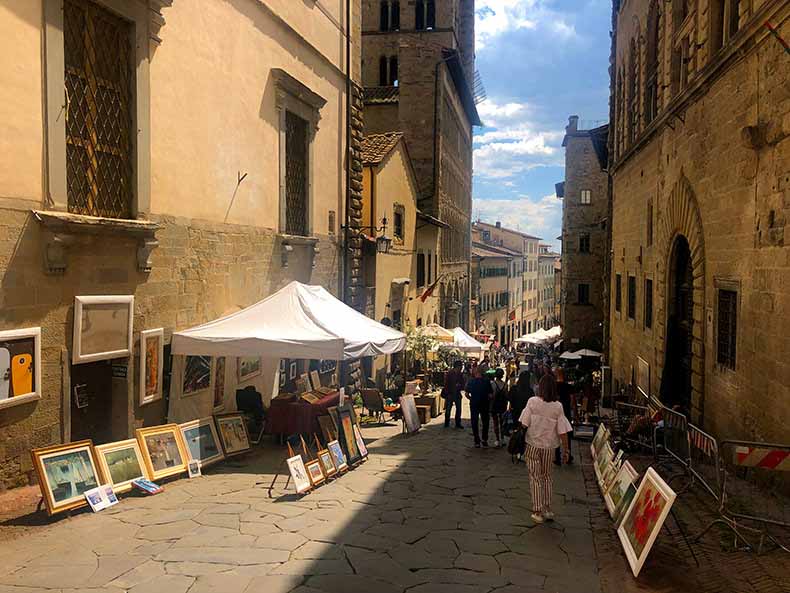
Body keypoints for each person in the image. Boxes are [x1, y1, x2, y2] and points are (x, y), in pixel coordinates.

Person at [519, 371, 572, 524]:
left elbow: (524, 423)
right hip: (549, 447)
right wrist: (566, 449)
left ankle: (537, 510)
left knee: (535, 478)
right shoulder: (558, 406)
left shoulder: (532, 402)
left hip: (533, 444)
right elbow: (562, 431)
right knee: (547, 477)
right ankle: (548, 508)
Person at [465, 366, 492, 448]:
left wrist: (471, 399)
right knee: (485, 422)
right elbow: (490, 395)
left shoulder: (471, 381)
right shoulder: (487, 381)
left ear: (475, 373)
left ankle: (477, 441)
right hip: (484, 404)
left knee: (474, 421)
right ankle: (484, 440)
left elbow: (466, 394)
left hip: (474, 404)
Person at [554, 366, 574, 465]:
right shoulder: (568, 386)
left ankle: (557, 457)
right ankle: (568, 455)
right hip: (566, 412)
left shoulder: (554, 386)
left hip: (556, 412)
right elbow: (572, 400)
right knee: (567, 435)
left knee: (556, 434)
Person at [442, 360, 465, 429]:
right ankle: (446, 423)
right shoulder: (450, 373)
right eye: (460, 366)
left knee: (459, 409)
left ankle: (458, 423)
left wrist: (460, 385)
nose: (461, 368)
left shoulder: (460, 374)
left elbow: (463, 383)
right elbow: (446, 384)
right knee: (448, 409)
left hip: (457, 393)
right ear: (457, 367)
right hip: (450, 394)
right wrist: (448, 393)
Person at [490, 368, 508, 448]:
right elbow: (506, 396)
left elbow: (491, 396)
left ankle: (497, 440)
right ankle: (503, 438)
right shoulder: (505, 385)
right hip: (503, 406)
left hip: (494, 405)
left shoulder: (492, 384)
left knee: (495, 422)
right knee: (502, 422)